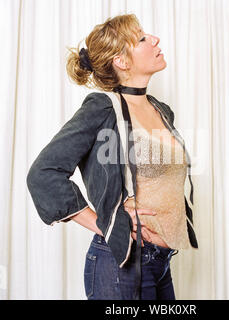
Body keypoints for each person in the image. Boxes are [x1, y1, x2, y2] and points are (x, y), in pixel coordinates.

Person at [26, 13, 198, 300]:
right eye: (142, 38)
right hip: (121, 265)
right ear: (122, 60)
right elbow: (43, 173)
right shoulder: (103, 107)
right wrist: (105, 224)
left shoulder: (161, 110)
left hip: (161, 264)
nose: (154, 39)